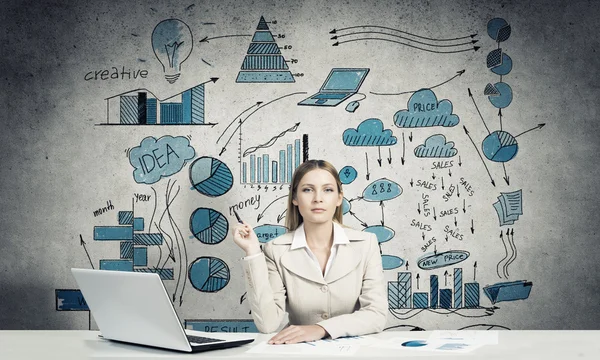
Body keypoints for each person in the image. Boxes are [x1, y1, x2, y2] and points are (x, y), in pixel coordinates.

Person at [232, 159, 387, 345]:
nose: (318, 198)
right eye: (307, 190)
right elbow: (267, 324)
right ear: (295, 198)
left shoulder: (366, 244)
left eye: (328, 190)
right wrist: (252, 252)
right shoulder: (275, 249)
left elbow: (376, 314)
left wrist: (321, 329)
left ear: (339, 198)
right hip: (299, 353)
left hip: (355, 352)